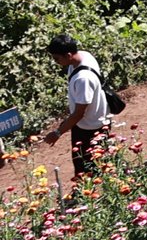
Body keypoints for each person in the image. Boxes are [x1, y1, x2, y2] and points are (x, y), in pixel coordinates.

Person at [40, 33, 111, 182]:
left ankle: (85, 195)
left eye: (57, 58)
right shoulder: (84, 56)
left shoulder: (83, 78)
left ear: (68, 55)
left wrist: (58, 132)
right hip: (96, 119)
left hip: (90, 127)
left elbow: (79, 113)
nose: (56, 62)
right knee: (96, 161)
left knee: (84, 165)